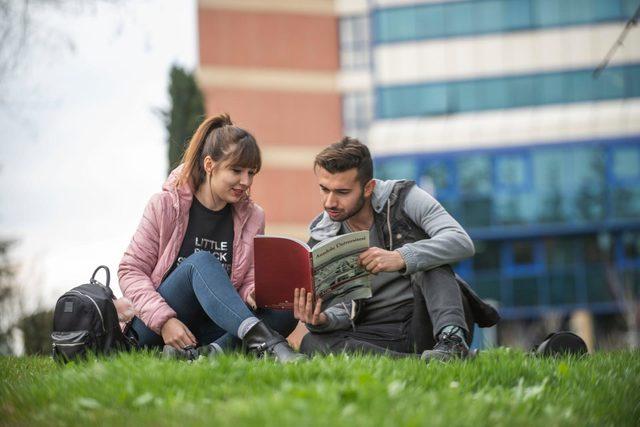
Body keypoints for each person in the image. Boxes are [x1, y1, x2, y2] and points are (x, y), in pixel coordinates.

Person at [118, 113, 304, 363]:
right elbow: (130, 270)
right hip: (157, 325)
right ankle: (267, 343)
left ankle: (209, 354)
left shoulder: (253, 217)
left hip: (212, 326)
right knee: (201, 262)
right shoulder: (165, 205)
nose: (245, 182)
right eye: (236, 170)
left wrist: (254, 292)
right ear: (209, 165)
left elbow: (248, 279)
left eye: (251, 172)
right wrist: (164, 321)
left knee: (286, 307)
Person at [293, 137, 498, 361]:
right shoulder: (323, 237)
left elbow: (460, 241)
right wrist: (323, 320)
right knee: (311, 343)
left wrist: (401, 257)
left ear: (368, 188)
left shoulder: (404, 198)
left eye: (342, 192)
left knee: (430, 262)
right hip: (376, 331)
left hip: (426, 319)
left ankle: (452, 346)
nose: (329, 202)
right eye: (324, 189)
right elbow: (343, 309)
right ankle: (423, 363)